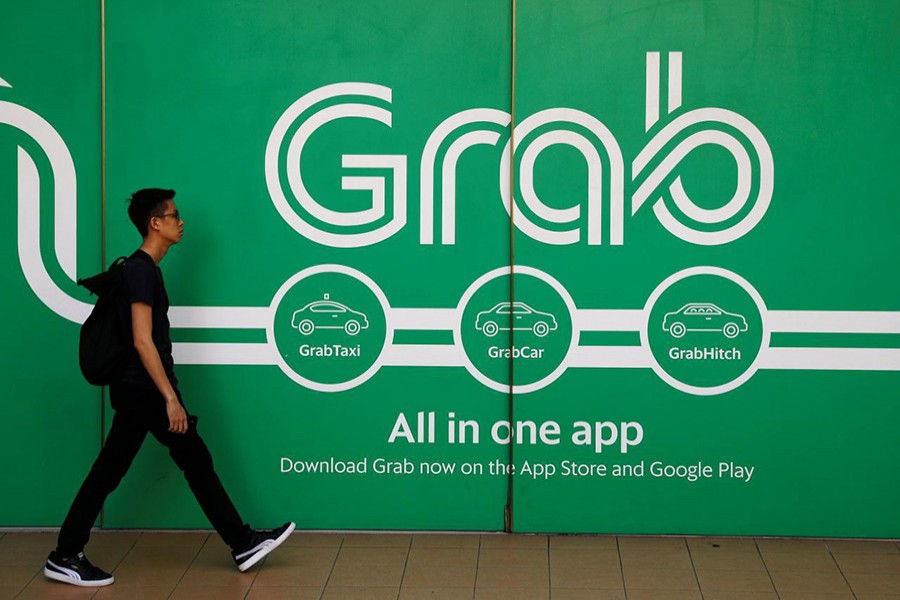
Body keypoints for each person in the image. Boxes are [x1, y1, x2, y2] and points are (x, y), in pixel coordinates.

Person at [44, 188, 295, 587]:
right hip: (143, 391)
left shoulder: (145, 269)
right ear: (154, 223)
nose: (182, 223)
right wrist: (170, 399)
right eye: (174, 216)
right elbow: (143, 340)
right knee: (128, 470)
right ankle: (65, 554)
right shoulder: (142, 270)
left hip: (140, 390)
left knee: (186, 461)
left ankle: (242, 542)